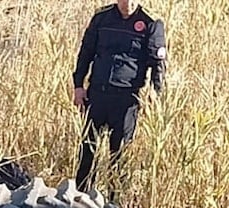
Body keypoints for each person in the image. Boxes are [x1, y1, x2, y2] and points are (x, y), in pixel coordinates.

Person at [71, 0, 167, 190]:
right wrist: (78, 85)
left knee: (119, 155)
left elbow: (158, 64)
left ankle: (114, 206)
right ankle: (80, 198)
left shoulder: (151, 22)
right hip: (97, 94)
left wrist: (154, 94)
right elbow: (85, 53)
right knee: (88, 151)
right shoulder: (102, 18)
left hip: (126, 99)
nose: (128, 4)